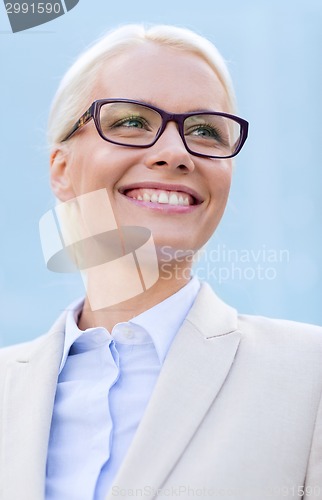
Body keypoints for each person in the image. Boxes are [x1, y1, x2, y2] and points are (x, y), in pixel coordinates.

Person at [0, 23, 321, 500]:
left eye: (206, 131)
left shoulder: (309, 377)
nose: (174, 153)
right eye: (131, 122)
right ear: (62, 170)